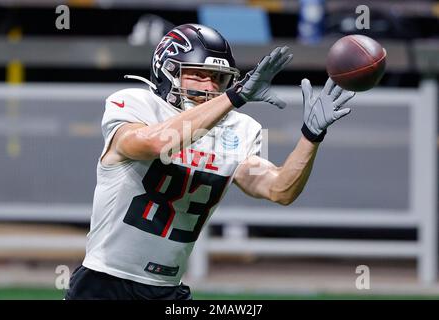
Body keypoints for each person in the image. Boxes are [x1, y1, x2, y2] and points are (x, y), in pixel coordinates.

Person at [65, 23, 355, 300]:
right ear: (167, 72)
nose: (209, 86)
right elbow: (154, 143)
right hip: (104, 283)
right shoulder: (137, 104)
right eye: (198, 74)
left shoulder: (239, 128)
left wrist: (310, 137)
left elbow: (280, 189)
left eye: (218, 78)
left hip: (167, 288)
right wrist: (233, 97)